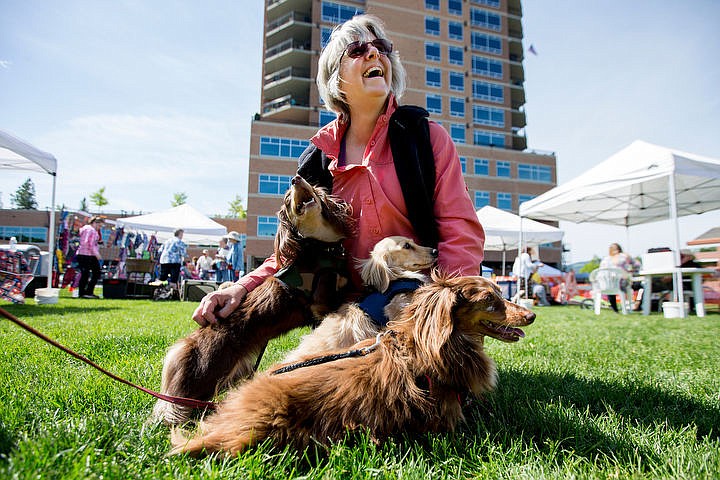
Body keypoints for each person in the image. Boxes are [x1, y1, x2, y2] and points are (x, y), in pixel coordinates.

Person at [193, 14, 485, 326]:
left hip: (415, 299)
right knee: (237, 312)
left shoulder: (426, 139)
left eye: (381, 47)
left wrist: (449, 309)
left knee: (368, 338)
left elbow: (459, 233)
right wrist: (240, 287)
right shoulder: (317, 160)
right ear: (336, 76)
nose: (374, 54)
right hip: (337, 305)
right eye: (358, 50)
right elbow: (291, 257)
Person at [599, 242, 640, 312]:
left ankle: (615, 309)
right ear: (620, 249)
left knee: (610, 287)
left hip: (606, 285)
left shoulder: (605, 260)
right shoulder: (624, 256)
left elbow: (600, 271)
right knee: (640, 286)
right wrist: (632, 271)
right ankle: (636, 304)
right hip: (622, 284)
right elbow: (637, 265)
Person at [76, 216, 103, 299]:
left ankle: (88, 292)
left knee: (95, 272)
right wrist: (97, 254)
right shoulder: (90, 230)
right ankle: (83, 293)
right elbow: (87, 243)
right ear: (94, 223)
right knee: (86, 273)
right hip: (86, 254)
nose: (99, 228)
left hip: (88, 254)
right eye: (99, 226)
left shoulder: (88, 229)